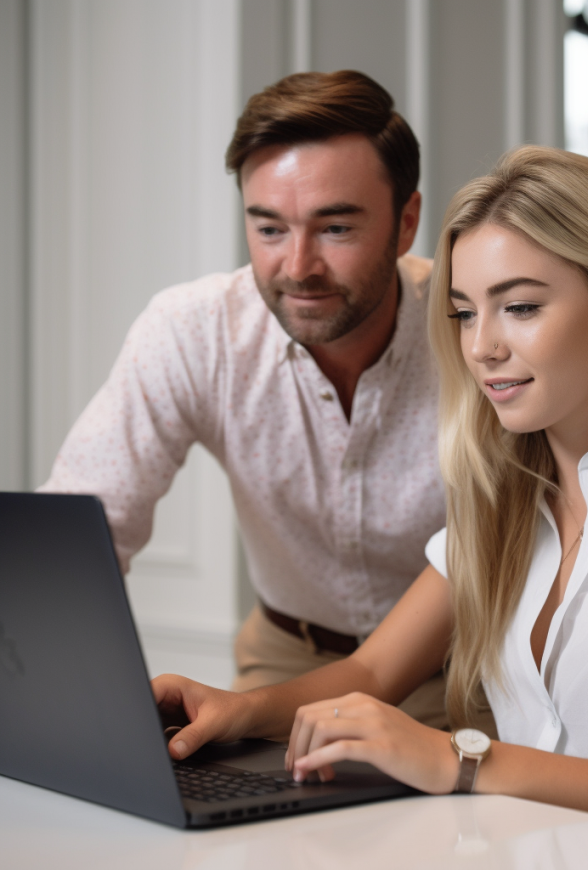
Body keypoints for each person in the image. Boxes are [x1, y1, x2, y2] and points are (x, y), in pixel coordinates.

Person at [152, 146, 588, 851]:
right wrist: (237, 710)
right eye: (466, 313)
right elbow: (373, 672)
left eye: (522, 307)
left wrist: (459, 759)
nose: (482, 348)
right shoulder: (500, 498)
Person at [38, 70, 451, 727]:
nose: (298, 266)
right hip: (289, 664)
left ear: (406, 223)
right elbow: (84, 530)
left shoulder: (474, 333)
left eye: (335, 229)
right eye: (269, 229)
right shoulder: (196, 330)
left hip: (477, 669)